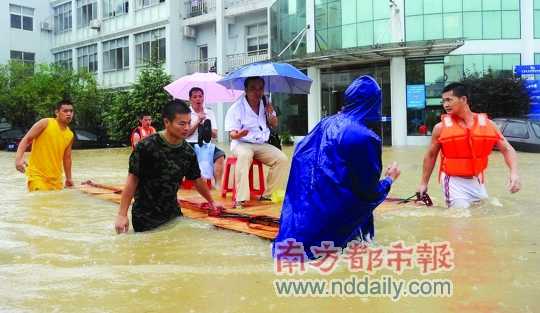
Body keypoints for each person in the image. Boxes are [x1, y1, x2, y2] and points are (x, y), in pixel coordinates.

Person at [273, 75, 400, 259]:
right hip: (327, 236)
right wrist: (389, 179)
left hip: (296, 228)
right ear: (376, 103)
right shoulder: (365, 137)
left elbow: (302, 158)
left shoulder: (325, 123)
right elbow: (368, 193)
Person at [115, 99, 223, 233]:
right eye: (181, 123)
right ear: (167, 122)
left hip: (173, 214)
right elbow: (132, 181)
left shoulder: (188, 152)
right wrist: (122, 214)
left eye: (189, 123)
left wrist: (212, 202)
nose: (187, 128)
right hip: (145, 217)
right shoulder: (146, 147)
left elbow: (197, 179)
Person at [417, 82, 521, 209]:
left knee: (482, 220)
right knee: (461, 221)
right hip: (453, 182)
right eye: (443, 101)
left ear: (463, 99)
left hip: (477, 181)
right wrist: (423, 183)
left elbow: (507, 149)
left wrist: (514, 173)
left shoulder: (488, 124)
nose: (445, 105)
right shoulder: (440, 128)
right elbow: (431, 155)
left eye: (449, 100)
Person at [224, 76, 288, 209]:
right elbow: (232, 134)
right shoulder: (236, 108)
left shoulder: (266, 102)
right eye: (253, 88)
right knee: (245, 155)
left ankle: (268, 194)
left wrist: (271, 115)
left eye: (260, 88)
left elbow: (274, 124)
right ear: (246, 90)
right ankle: (240, 199)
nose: (257, 92)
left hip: (260, 144)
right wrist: (240, 134)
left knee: (282, 159)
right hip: (241, 143)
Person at [15, 99, 75, 191]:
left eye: (71, 111)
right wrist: (18, 159)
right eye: (65, 111)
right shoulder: (45, 123)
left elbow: (67, 158)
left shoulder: (70, 135)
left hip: (56, 180)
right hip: (37, 176)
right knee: (40, 201)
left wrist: (69, 178)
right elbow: (26, 139)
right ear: (57, 112)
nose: (69, 114)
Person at [185, 87, 226, 187]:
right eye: (195, 97)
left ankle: (217, 185)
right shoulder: (186, 113)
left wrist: (205, 125)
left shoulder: (209, 112)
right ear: (190, 99)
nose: (198, 99)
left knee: (220, 155)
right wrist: (198, 121)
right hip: (190, 144)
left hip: (206, 144)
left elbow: (215, 134)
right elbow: (186, 134)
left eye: (200, 96)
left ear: (203, 98)